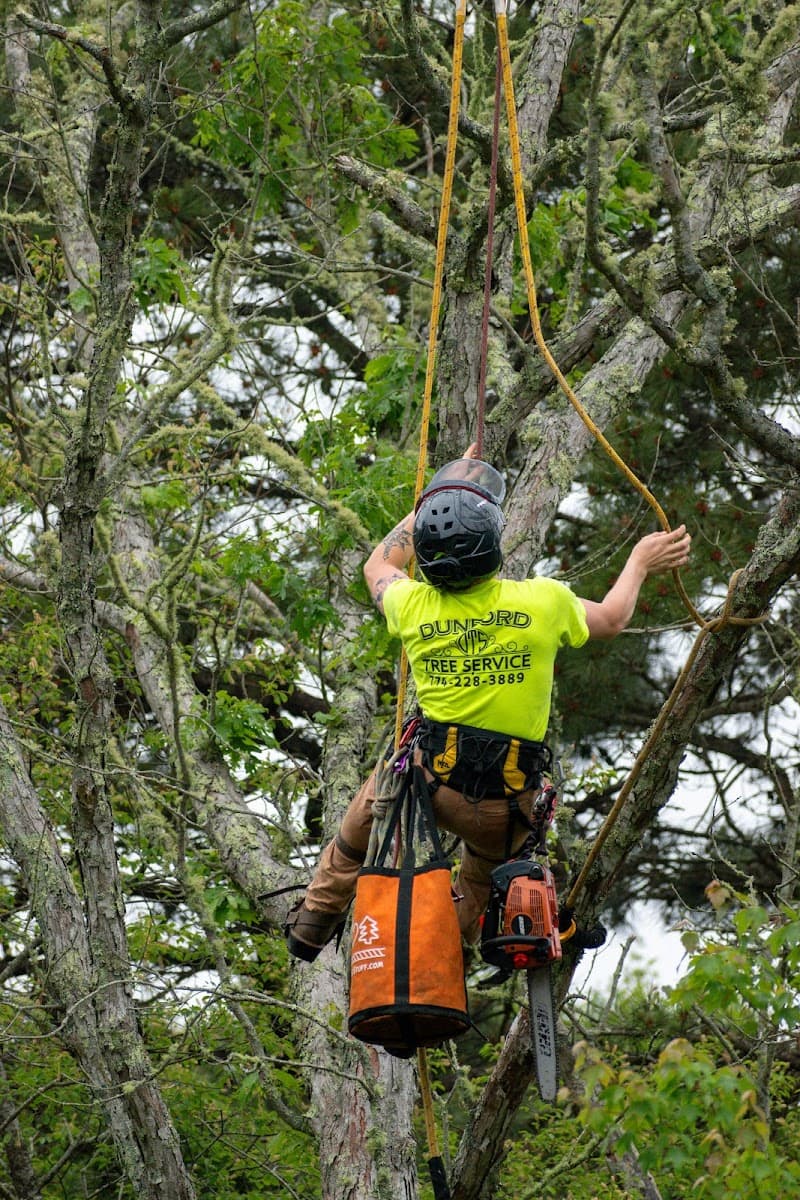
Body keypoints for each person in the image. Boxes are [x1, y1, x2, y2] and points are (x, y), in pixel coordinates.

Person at [285, 447, 691, 961]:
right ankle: (433, 977)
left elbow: (379, 563)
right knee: (476, 884)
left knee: (354, 835)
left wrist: (440, 495)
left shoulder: (413, 605)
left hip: (429, 785)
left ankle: (312, 923)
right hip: (505, 804)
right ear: (491, 545)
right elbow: (611, 618)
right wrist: (638, 562)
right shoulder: (543, 601)